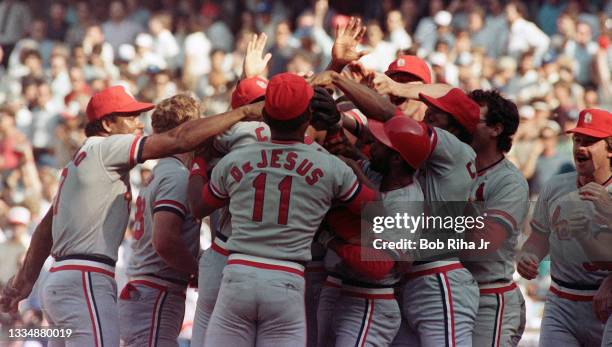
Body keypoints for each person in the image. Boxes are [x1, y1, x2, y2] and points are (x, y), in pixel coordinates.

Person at [0, 85, 261, 346]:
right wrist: (245, 111)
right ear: (108, 124)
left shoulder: (79, 163)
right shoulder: (105, 148)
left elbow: (46, 230)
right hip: (85, 280)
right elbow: (179, 139)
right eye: (130, 117)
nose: (139, 124)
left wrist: (23, 281)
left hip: (61, 283)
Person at [192, 72, 377, 345]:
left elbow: (198, 206)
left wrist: (198, 163)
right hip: (287, 278)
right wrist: (356, 170)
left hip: (238, 274)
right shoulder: (330, 165)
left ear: (265, 116)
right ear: (308, 118)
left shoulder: (235, 159)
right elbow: (377, 212)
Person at [317, 115, 428, 346]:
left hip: (372, 303)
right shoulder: (381, 175)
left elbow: (377, 265)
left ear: (396, 159)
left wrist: (331, 240)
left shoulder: (406, 203)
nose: (372, 146)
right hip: (348, 294)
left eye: (380, 144)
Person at [517, 108, 612, 346]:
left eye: (589, 141)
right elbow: (538, 237)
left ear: (610, 149)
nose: (580, 147)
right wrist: (529, 255)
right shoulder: (556, 186)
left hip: (605, 302)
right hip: (562, 301)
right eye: (577, 140)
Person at [119, 95, 202, 347]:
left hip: (149, 289)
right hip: (156, 292)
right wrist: (199, 270)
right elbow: (165, 241)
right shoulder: (175, 175)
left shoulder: (162, 171)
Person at [462, 89, 529, 346]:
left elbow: (485, 243)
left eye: (472, 118)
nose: (464, 123)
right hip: (452, 290)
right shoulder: (453, 168)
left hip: (489, 296)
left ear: (496, 129)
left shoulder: (508, 180)